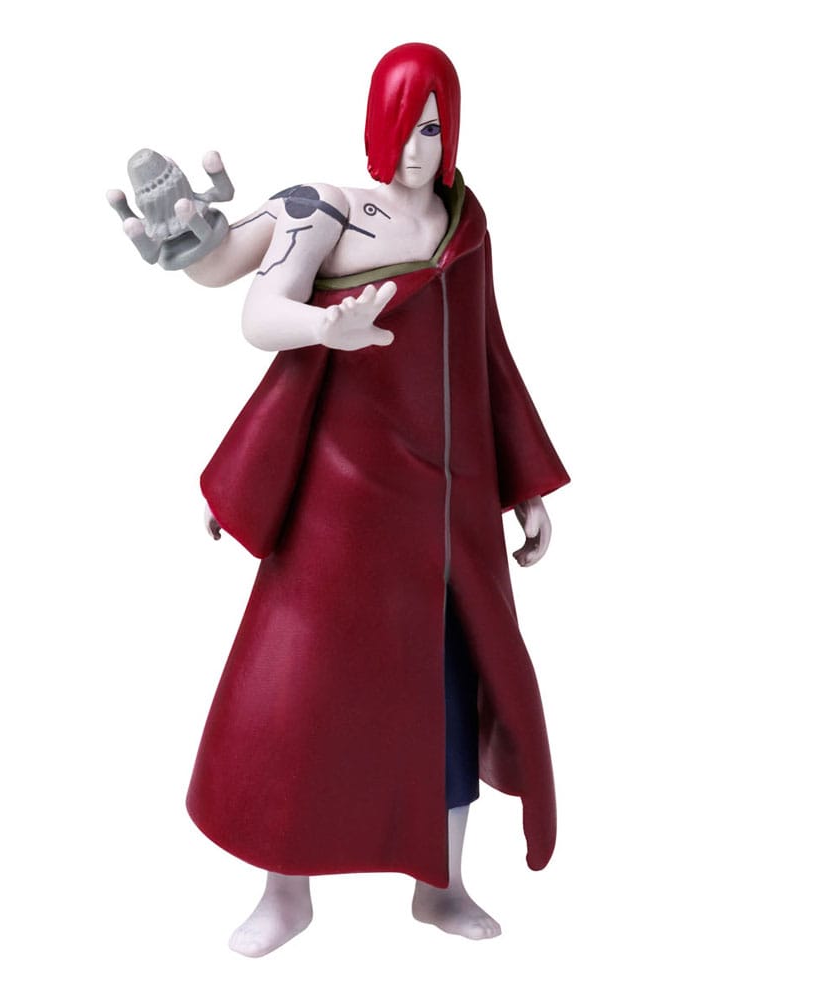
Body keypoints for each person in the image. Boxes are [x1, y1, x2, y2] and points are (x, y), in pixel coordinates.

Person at [114, 42, 569, 957]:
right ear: (377, 125)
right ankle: (286, 895)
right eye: (405, 127)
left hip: (446, 516)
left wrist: (525, 485)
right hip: (339, 510)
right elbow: (249, 298)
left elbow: (488, 354)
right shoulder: (325, 207)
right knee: (300, 698)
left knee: (447, 700)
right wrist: (319, 321)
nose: (418, 148)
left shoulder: (465, 226)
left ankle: (441, 888)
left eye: (434, 128)